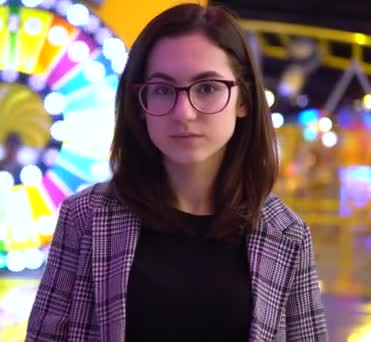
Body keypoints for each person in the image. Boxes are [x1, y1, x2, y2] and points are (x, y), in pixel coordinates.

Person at [26, 3, 328, 341]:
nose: (183, 112)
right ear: (139, 104)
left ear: (244, 100)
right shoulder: (85, 217)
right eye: (162, 89)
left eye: (208, 88)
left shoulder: (286, 234)